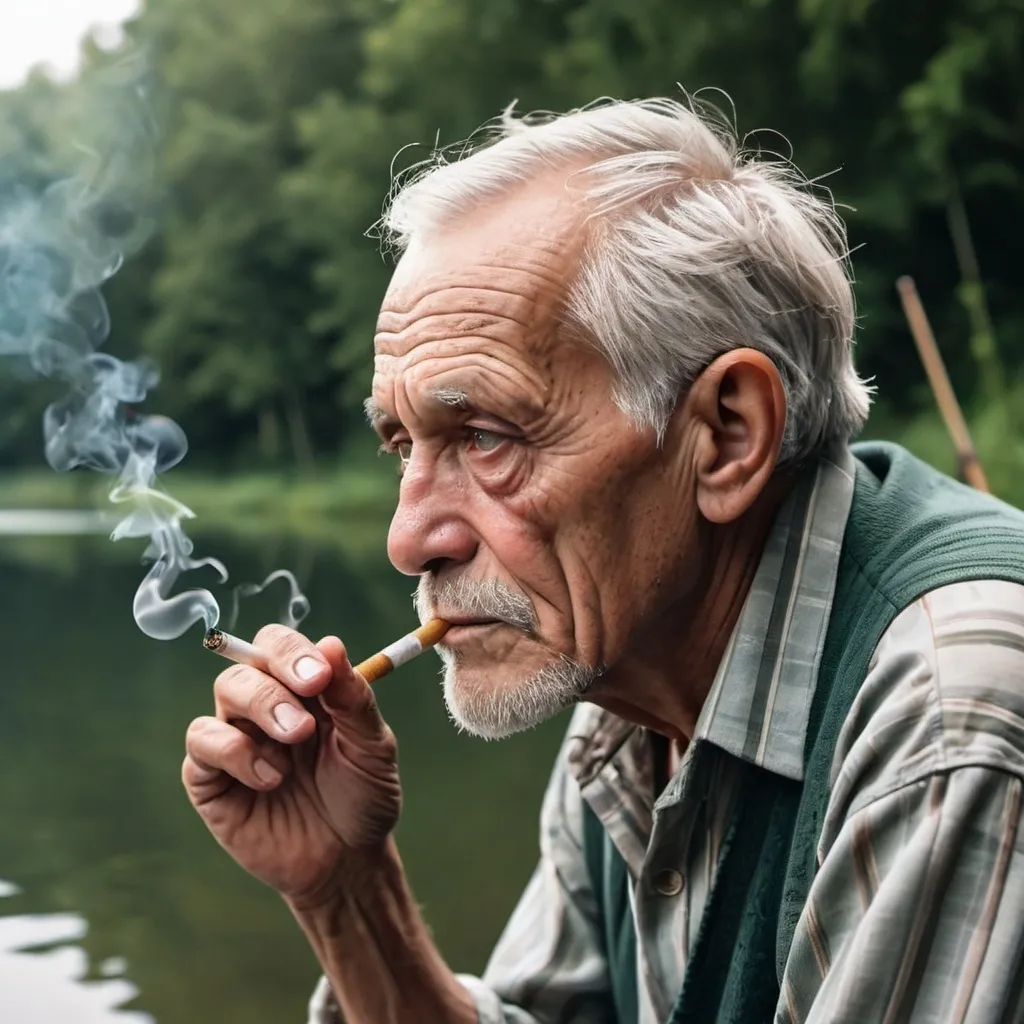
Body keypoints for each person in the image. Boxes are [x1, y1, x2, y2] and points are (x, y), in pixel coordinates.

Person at [181, 97, 1024, 1024]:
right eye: (401, 444)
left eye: (488, 436)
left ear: (727, 434)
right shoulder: (624, 693)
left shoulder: (952, 711)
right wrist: (347, 896)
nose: (409, 537)